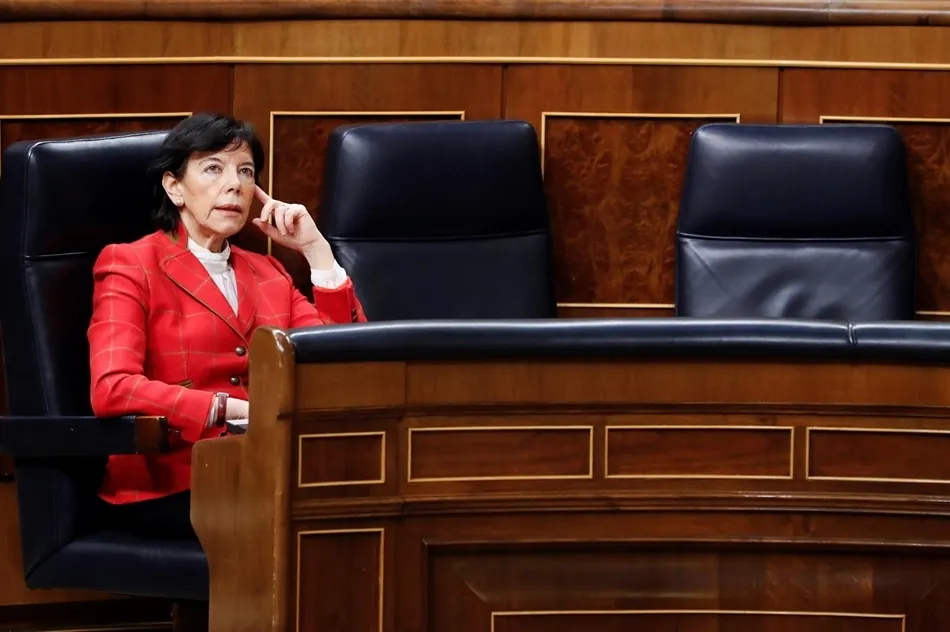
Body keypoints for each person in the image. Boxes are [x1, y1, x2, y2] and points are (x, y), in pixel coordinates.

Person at [87, 113, 366, 538]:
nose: (234, 184)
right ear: (174, 186)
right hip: (174, 483)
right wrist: (227, 408)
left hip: (268, 476)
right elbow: (113, 388)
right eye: (213, 168)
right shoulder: (130, 264)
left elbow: (344, 364)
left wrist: (317, 252)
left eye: (246, 171)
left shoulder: (269, 270)